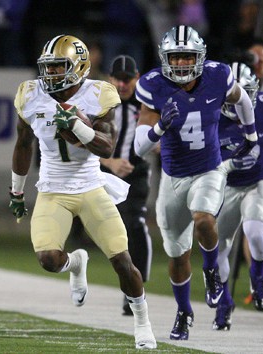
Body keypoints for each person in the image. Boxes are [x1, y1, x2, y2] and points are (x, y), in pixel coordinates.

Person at [10, 34, 156, 349]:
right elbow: (23, 144)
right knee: (48, 258)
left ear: (79, 66)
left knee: (122, 260)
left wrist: (77, 124)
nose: (52, 74)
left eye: (60, 67)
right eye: (48, 68)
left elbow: (106, 145)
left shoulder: (99, 94)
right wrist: (17, 191)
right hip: (52, 189)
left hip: (90, 186)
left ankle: (142, 323)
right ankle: (76, 262)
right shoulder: (30, 94)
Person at [134, 25, 259, 340]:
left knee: (203, 218)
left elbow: (242, 98)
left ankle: (213, 272)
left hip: (209, 169)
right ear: (166, 59)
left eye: (186, 57)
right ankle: (183, 312)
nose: (180, 64)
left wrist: (251, 134)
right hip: (173, 177)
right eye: (175, 58)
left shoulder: (218, 76)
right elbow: (139, 147)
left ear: (200, 57)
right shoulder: (153, 86)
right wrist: (160, 127)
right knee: (177, 256)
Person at [212, 62, 263, 330]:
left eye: (245, 94)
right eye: (235, 95)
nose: (239, 102)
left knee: (256, 231)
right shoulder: (209, 116)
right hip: (225, 187)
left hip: (259, 181)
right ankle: (224, 302)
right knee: (219, 247)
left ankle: (257, 276)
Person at [102, 55, 153, 316]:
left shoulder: (146, 103)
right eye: (118, 80)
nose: (122, 85)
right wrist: (110, 163)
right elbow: (80, 142)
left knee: (135, 223)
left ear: (137, 79)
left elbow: (158, 137)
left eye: (127, 79)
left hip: (136, 172)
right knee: (105, 229)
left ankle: (136, 288)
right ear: (110, 79)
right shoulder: (99, 103)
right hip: (103, 171)